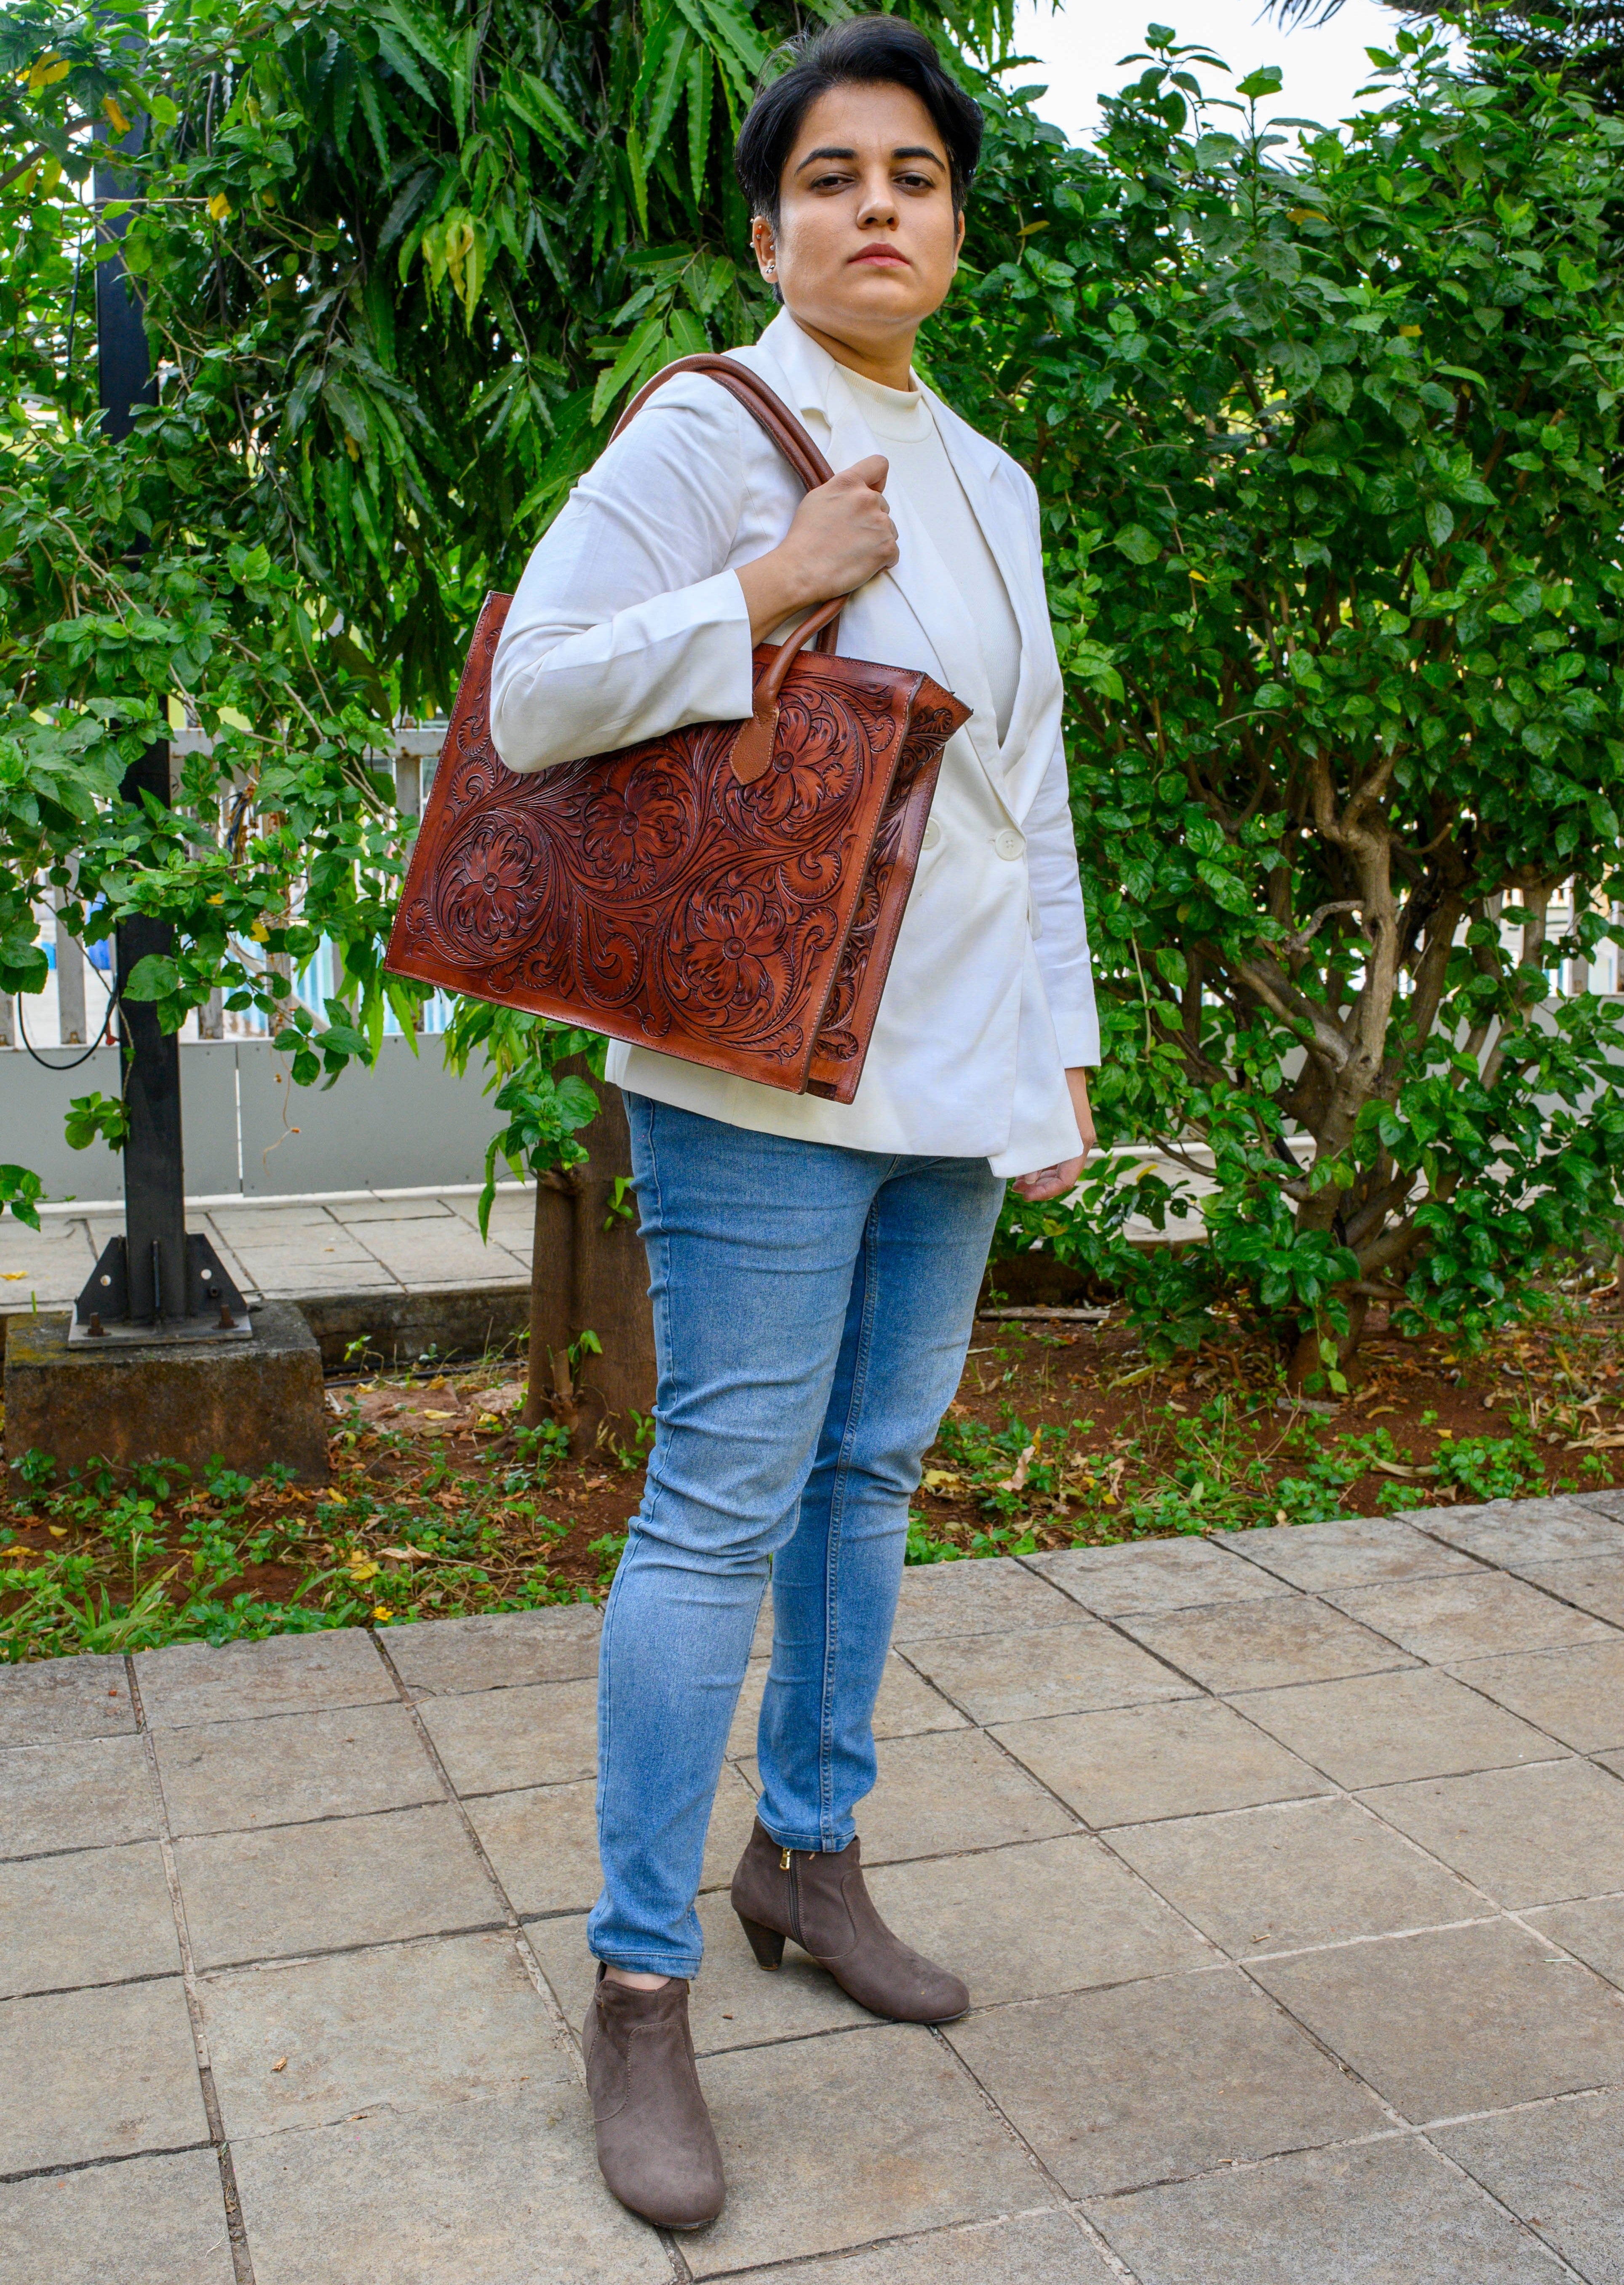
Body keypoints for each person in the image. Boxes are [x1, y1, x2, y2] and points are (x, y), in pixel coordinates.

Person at [489, 12, 1099, 2232]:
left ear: (950, 226)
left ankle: (806, 1858)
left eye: (912, 178)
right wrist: (768, 585)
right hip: (756, 1071)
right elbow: (536, 689)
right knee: (718, 1503)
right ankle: (639, 1984)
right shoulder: (704, 428)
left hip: (947, 1078)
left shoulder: (995, 480)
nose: (874, 208)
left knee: (868, 1475)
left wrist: (1061, 1041)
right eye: (832, 177)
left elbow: (1020, 804)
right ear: (771, 227)